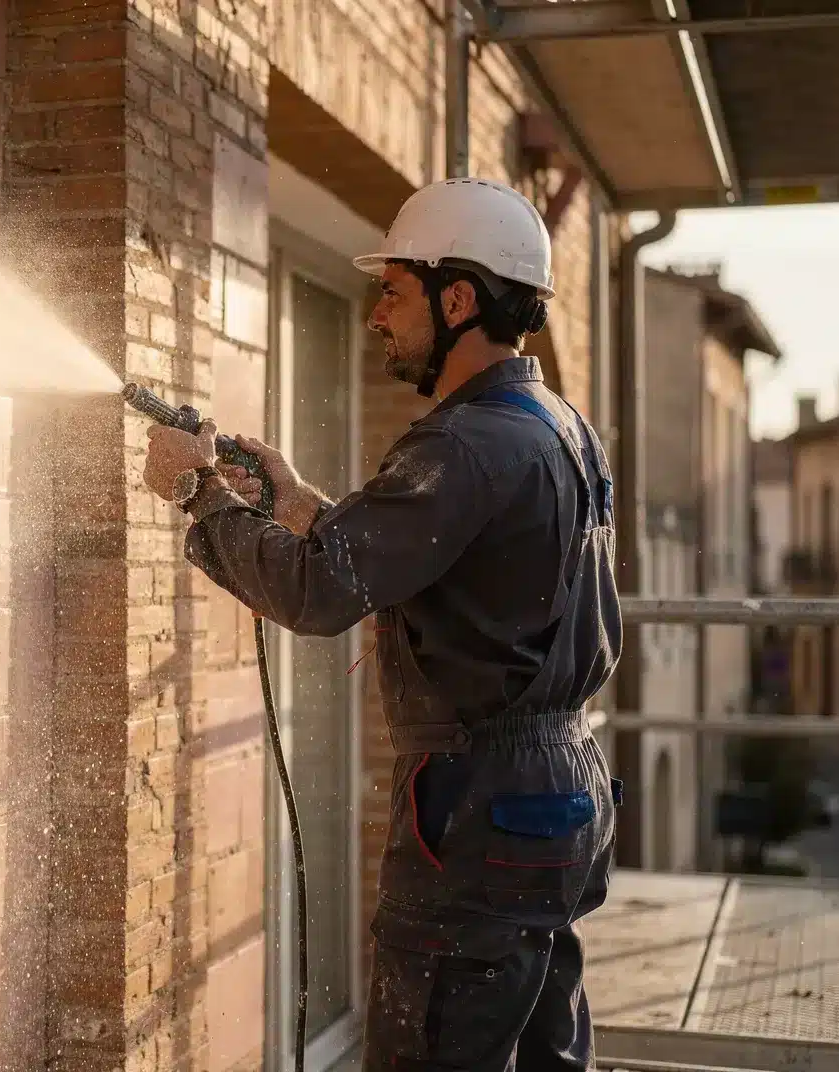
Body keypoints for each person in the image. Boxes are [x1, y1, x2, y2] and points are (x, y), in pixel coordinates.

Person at [141, 177, 624, 1072]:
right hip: (560, 793)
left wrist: (199, 496)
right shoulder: (557, 427)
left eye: (394, 293)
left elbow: (323, 596)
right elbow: (438, 564)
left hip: (485, 806)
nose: (376, 318)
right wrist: (293, 505)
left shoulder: (463, 442)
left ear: (458, 298)